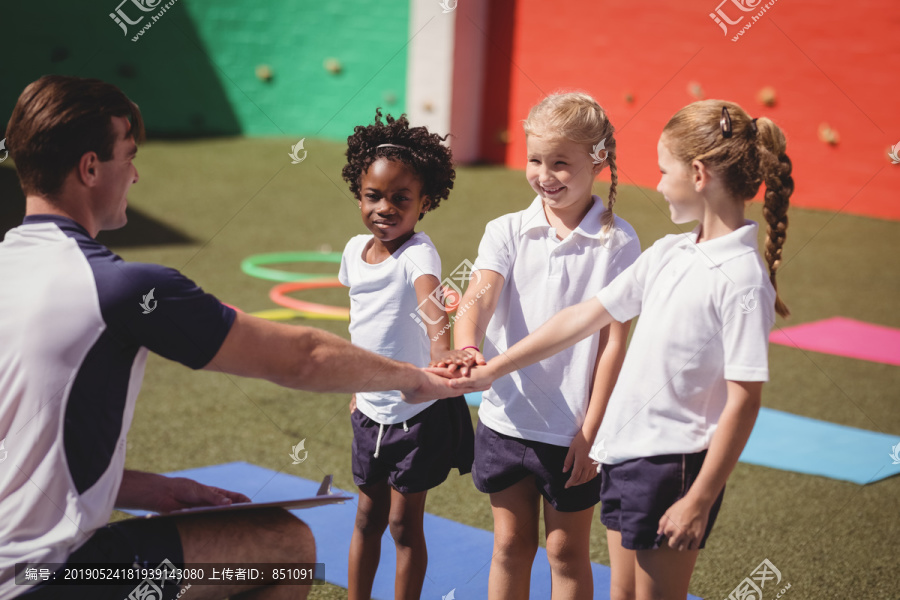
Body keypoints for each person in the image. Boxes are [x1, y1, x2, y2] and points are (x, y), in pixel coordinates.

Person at [0, 75, 477, 600]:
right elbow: (305, 358)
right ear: (91, 168)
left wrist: (150, 489)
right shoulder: (123, 288)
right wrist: (415, 379)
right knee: (285, 545)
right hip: (51, 579)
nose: (135, 175)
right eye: (128, 156)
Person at [445, 99, 792, 600]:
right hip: (613, 451)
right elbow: (572, 317)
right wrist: (485, 362)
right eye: (537, 159)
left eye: (662, 170)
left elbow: (740, 397)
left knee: (609, 575)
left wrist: (696, 494)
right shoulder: (669, 251)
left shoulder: (728, 275)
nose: (654, 182)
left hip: (651, 458)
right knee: (612, 589)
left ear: (697, 174)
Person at [433, 92, 641, 599]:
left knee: (566, 553)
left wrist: (591, 432)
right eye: (534, 160)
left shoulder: (620, 243)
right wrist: (465, 346)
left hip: (573, 432)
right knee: (510, 546)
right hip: (505, 421)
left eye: (560, 163)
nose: (544, 175)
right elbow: (477, 300)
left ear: (598, 162)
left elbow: (614, 347)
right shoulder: (505, 230)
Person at [339, 109, 475, 600]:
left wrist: (443, 351)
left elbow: (430, 301)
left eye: (402, 198)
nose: (385, 208)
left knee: (402, 524)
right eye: (374, 196)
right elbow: (363, 323)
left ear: (425, 202)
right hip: (369, 411)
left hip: (416, 416)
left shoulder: (418, 253)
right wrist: (356, 383)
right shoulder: (354, 252)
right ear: (359, 195)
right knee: (365, 516)